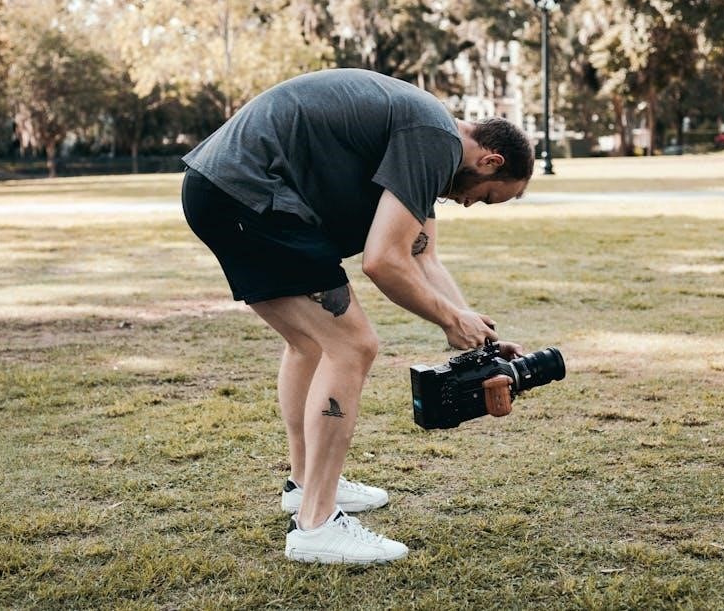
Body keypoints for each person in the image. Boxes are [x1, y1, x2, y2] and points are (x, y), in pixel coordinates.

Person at [181, 68, 533, 565]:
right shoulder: (434, 139)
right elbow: (382, 262)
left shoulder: (429, 143)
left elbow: (422, 257)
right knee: (352, 345)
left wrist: (481, 337)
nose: (471, 203)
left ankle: (305, 486)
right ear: (490, 160)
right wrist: (449, 322)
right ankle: (316, 525)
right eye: (488, 196)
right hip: (250, 191)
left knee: (311, 344)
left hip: (225, 188)